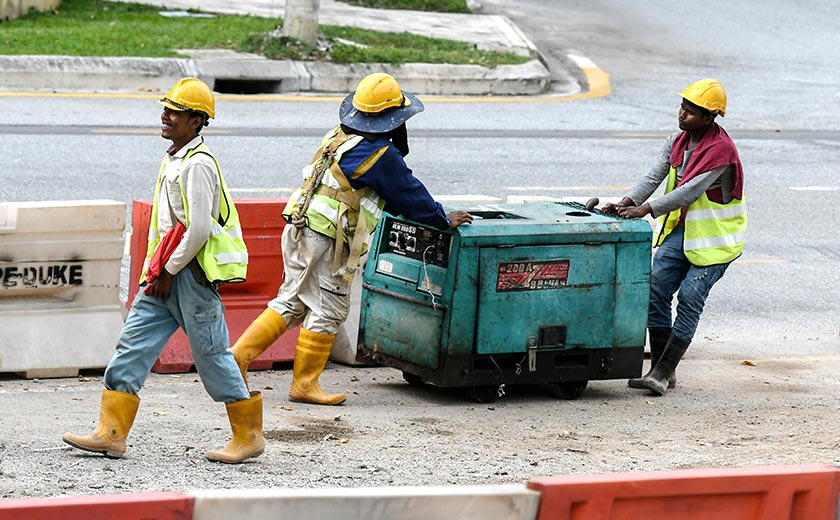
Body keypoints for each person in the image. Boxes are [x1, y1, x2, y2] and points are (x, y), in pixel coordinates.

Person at [229, 72, 473, 406]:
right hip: (327, 239)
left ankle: (239, 360)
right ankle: (303, 383)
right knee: (328, 307)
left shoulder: (340, 137)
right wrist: (442, 218)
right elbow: (410, 196)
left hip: (300, 228)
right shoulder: (379, 155)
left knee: (295, 301)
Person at [63, 78, 263, 464]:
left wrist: (169, 269)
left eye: (176, 111)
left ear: (197, 122)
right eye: (166, 108)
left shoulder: (198, 165)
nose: (165, 116)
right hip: (164, 275)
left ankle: (249, 435)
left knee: (212, 356)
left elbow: (201, 229)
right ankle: (111, 433)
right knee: (132, 346)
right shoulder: (175, 158)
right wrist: (158, 271)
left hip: (190, 277)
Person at [602, 78, 746, 396]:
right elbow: (654, 175)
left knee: (691, 299)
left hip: (716, 241)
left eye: (691, 112)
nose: (683, 114)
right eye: (682, 107)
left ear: (710, 118)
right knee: (656, 290)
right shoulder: (677, 142)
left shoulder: (720, 151)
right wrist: (627, 201)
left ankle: (663, 370)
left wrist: (645, 210)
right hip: (682, 231)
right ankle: (662, 372)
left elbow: (688, 192)